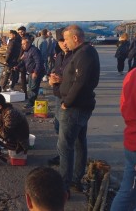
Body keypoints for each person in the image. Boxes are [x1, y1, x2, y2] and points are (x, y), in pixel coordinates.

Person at [57, 25, 100, 196]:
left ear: (75, 38)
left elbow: (80, 82)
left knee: (65, 146)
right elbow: (75, 78)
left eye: (66, 39)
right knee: (79, 143)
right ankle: (75, 179)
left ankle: (64, 184)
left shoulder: (85, 53)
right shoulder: (82, 53)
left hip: (75, 108)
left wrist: (67, 102)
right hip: (80, 106)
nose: (65, 43)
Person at [110, 58, 136, 211]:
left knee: (127, 192)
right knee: (128, 193)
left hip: (132, 142)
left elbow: (124, 106)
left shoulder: (134, 73)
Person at [47, 27, 73, 166]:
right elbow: (56, 72)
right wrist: (52, 79)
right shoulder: (59, 56)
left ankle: (66, 160)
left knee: (66, 131)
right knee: (58, 127)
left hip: (69, 99)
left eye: (65, 40)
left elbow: (81, 79)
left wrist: (62, 80)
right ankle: (61, 154)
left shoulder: (76, 56)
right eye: (61, 40)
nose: (64, 43)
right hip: (58, 96)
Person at [0, 93, 29, 166]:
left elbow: (4, 134)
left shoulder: (10, 113)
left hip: (19, 144)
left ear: (0, 106)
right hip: (14, 137)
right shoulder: (5, 110)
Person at [21, 36, 45, 109]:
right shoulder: (26, 51)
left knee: (33, 88)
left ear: (29, 43)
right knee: (31, 87)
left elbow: (39, 62)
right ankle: (31, 102)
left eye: (24, 44)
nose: (23, 45)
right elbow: (24, 61)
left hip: (36, 72)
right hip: (31, 72)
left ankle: (30, 103)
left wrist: (36, 72)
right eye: (22, 44)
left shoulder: (34, 50)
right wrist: (17, 66)